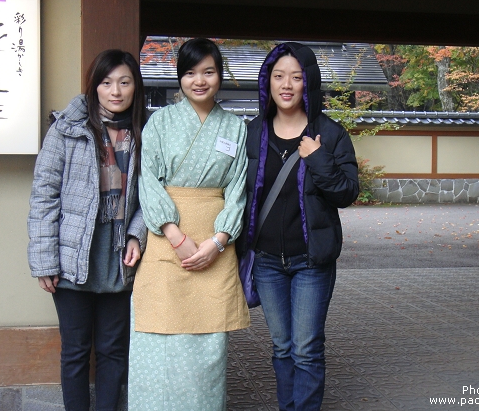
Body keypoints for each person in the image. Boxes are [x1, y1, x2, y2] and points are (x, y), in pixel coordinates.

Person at [129, 37, 250, 410]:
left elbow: (239, 189)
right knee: (156, 337)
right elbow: (147, 179)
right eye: (191, 72)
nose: (200, 80)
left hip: (216, 244)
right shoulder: (159, 123)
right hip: (166, 243)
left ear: (220, 76)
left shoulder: (235, 127)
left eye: (209, 72)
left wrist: (218, 241)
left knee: (208, 350)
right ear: (179, 77)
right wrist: (174, 234)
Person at [238, 42, 359, 411]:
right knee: (282, 347)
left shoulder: (330, 134)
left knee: (306, 349)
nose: (286, 84)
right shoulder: (253, 131)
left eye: (295, 76)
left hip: (311, 261)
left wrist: (318, 158)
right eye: (278, 76)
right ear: (268, 82)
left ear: (308, 82)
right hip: (268, 261)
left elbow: (347, 192)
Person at [27, 49, 147, 411]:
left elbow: (149, 197)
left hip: (117, 259)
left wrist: (135, 235)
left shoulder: (144, 133)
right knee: (76, 352)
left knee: (113, 351)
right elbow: (44, 196)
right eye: (107, 82)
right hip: (72, 257)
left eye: (124, 82)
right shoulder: (67, 130)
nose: (116, 91)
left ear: (134, 87)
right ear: (94, 87)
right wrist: (44, 261)